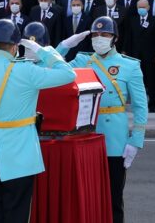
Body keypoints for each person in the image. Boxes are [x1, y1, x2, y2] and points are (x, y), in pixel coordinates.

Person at [0, 19, 75, 223]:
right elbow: (68, 74)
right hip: (20, 156)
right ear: (16, 46)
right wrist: (43, 51)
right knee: (17, 214)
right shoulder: (26, 71)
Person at [56, 16, 148, 223]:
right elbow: (51, 68)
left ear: (114, 37)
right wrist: (64, 46)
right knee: (85, 195)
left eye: (104, 34)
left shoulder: (130, 66)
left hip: (115, 137)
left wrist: (136, 140)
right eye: (96, 34)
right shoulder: (82, 60)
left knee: (114, 196)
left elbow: (141, 106)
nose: (99, 38)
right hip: (86, 134)